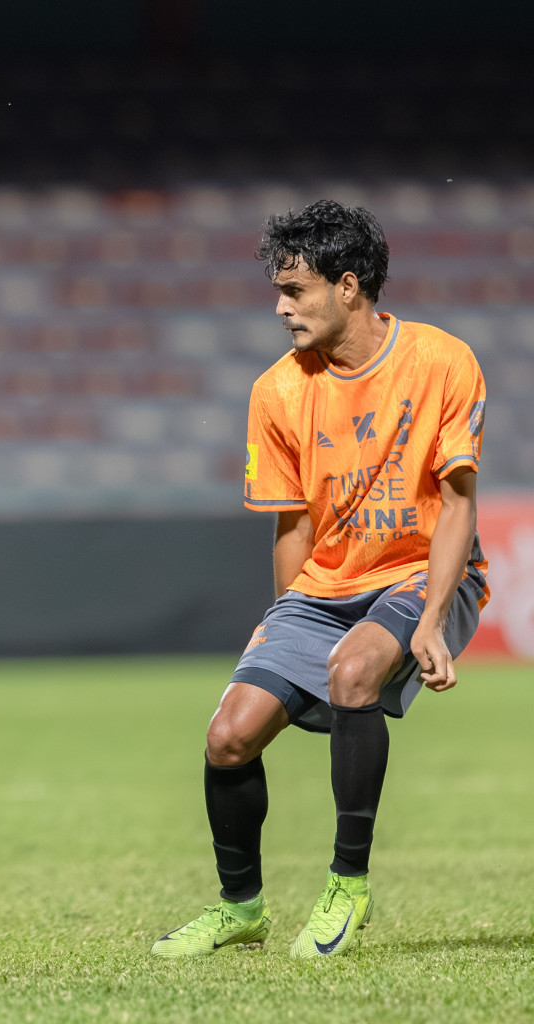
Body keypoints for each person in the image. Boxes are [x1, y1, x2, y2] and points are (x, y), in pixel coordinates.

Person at [151, 199, 489, 960]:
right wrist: (279, 626)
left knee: (354, 671)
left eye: (293, 291)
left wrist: (432, 620)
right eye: (277, 291)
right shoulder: (276, 391)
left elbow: (460, 502)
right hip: (324, 586)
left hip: (423, 569)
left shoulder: (442, 361)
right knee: (229, 738)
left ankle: (348, 883)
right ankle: (241, 908)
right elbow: (291, 526)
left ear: (347, 287)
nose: (279, 308)